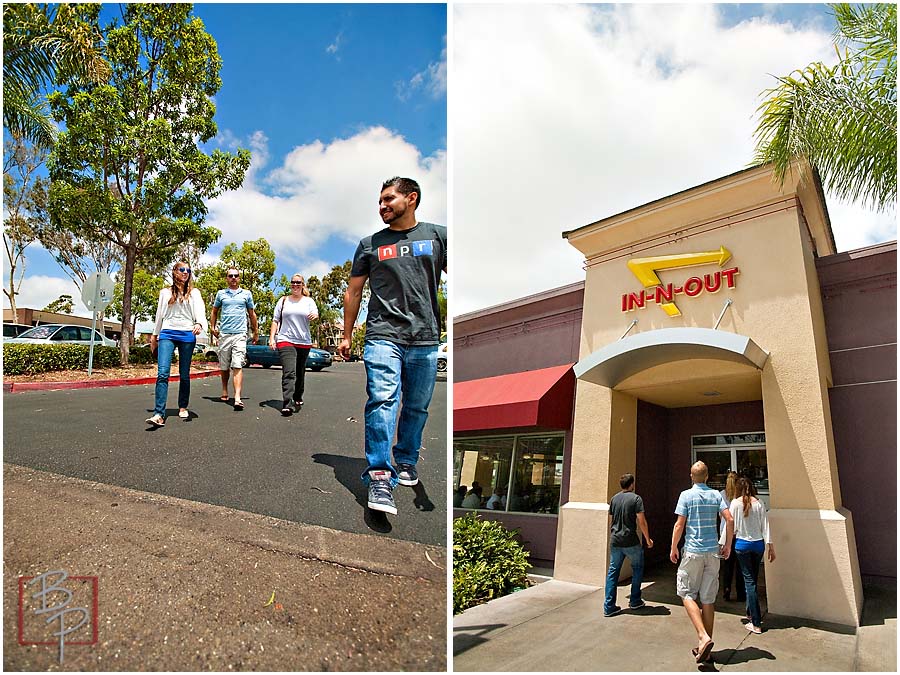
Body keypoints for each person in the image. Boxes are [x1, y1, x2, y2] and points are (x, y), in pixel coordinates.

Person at [339, 176, 447, 516]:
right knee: (383, 401)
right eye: (380, 201)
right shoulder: (370, 244)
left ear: (411, 198)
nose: (382, 206)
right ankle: (380, 475)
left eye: (389, 199)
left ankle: (406, 459)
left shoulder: (438, 236)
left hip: (426, 338)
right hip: (383, 334)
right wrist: (346, 333)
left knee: (416, 407)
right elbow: (353, 291)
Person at [671, 461, 734, 664]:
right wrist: (728, 544)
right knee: (708, 599)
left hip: (693, 552)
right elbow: (730, 519)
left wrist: (673, 547)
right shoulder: (716, 495)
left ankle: (702, 636)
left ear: (691, 476)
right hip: (712, 552)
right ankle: (705, 649)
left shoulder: (685, 495)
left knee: (686, 592)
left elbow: (680, 523)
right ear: (707, 476)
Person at [145, 261, 208, 427]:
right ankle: (159, 413)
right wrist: (154, 336)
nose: (185, 272)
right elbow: (159, 315)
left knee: (184, 373)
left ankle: (182, 406)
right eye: (182, 269)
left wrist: (199, 324)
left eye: (188, 270)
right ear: (174, 272)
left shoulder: (194, 293)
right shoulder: (165, 292)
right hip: (167, 332)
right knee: (163, 373)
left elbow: (200, 312)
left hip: (187, 334)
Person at [727, 477, 776, 634]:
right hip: (758, 545)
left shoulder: (735, 504)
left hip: (742, 545)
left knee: (749, 582)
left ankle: (755, 622)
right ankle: (750, 613)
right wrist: (770, 546)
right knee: (752, 580)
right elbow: (765, 526)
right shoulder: (760, 503)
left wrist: (725, 544)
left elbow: (730, 526)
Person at [604, 473, 653, 616]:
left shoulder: (614, 499)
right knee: (637, 568)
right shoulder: (636, 499)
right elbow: (641, 521)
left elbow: (612, 520)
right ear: (631, 484)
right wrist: (648, 539)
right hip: (630, 540)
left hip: (615, 540)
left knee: (613, 572)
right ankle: (635, 600)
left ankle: (609, 606)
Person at [209, 267, 258, 411]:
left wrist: (255, 331)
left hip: (240, 335)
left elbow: (251, 313)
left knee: (237, 364)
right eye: (230, 276)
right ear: (227, 278)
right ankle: (224, 389)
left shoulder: (246, 294)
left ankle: (237, 397)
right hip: (224, 334)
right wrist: (212, 327)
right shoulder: (221, 294)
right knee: (224, 367)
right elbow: (214, 311)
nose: (233, 278)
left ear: (239, 278)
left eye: (236, 275)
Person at [270, 274, 319, 416]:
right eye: (293, 282)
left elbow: (315, 314)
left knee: (300, 372)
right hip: (285, 339)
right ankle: (287, 403)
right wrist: (272, 338)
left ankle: (298, 395)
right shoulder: (283, 300)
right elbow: (275, 320)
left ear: (303, 285)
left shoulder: (308, 301)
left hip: (303, 341)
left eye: (299, 283)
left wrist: (315, 316)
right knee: (289, 371)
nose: (295, 285)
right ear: (290, 284)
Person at [719, 471, 744, 602]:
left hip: (725, 532)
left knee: (728, 565)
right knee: (740, 565)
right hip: (738, 532)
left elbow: (719, 515)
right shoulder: (739, 496)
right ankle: (740, 592)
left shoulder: (721, 495)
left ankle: (726, 591)